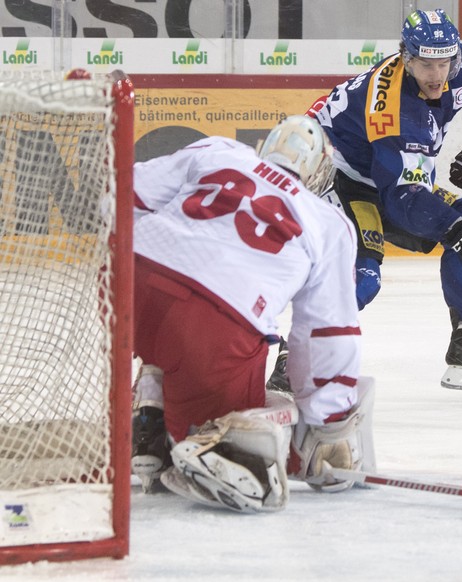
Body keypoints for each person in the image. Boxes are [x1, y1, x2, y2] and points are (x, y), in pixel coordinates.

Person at [129, 115, 376, 512]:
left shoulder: (216, 151)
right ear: (317, 171)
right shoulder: (327, 222)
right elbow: (326, 332)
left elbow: (126, 191)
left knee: (166, 342)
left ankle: (151, 415)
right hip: (213, 326)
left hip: (130, 287)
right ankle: (223, 455)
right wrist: (327, 423)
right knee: (235, 432)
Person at [300, 8, 462, 391]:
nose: (437, 76)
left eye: (444, 64)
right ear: (407, 57)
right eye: (426, 65)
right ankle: (295, 357)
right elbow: (402, 197)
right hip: (335, 174)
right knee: (364, 279)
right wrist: (457, 231)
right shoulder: (392, 106)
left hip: (389, 174)